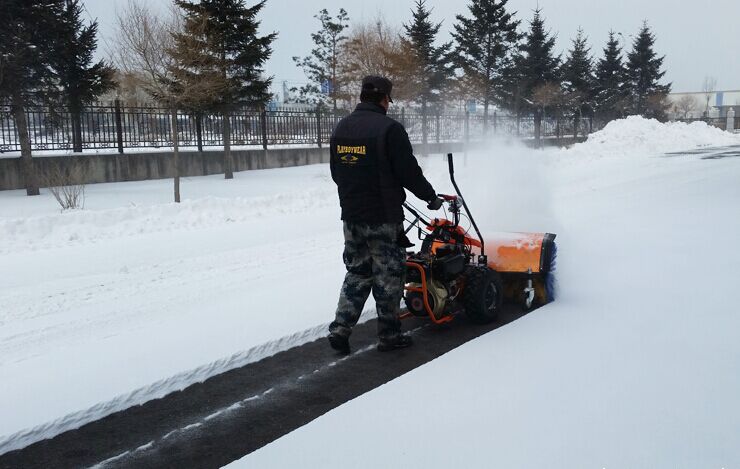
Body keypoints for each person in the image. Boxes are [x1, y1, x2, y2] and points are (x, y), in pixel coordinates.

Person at [328, 76, 444, 354]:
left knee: (357, 272)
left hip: (352, 217)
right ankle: (389, 336)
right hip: (383, 218)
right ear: (384, 100)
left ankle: (340, 330)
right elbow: (408, 172)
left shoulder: (341, 127)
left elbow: (336, 173)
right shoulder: (389, 129)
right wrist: (430, 196)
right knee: (388, 275)